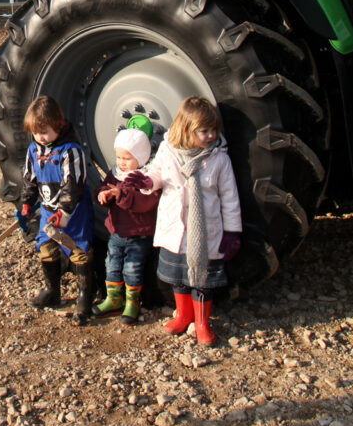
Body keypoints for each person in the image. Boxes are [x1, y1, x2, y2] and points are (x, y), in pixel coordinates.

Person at [148, 96, 242, 346]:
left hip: (205, 233)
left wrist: (232, 232)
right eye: (204, 131)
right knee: (179, 278)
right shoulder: (168, 151)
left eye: (213, 130)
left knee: (201, 281)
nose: (210, 136)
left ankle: (201, 323)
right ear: (186, 129)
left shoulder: (219, 159)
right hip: (175, 229)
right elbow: (156, 173)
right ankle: (183, 315)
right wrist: (147, 182)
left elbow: (230, 197)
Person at [20, 95, 94, 325]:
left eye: (44, 132)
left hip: (72, 214)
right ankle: (52, 290)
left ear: (59, 125)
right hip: (47, 212)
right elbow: (30, 180)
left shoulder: (70, 152)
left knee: (79, 251)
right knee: (45, 247)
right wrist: (25, 202)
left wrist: (64, 212)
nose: (40, 138)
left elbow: (73, 185)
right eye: (36, 132)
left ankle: (85, 297)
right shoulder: (34, 150)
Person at [92, 123, 160, 324]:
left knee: (132, 267)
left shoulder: (146, 179)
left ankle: (132, 302)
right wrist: (102, 194)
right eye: (119, 157)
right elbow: (106, 186)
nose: (121, 162)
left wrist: (121, 194)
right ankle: (113, 299)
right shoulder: (116, 173)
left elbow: (145, 203)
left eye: (127, 158)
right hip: (117, 232)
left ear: (140, 157)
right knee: (111, 264)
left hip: (139, 233)